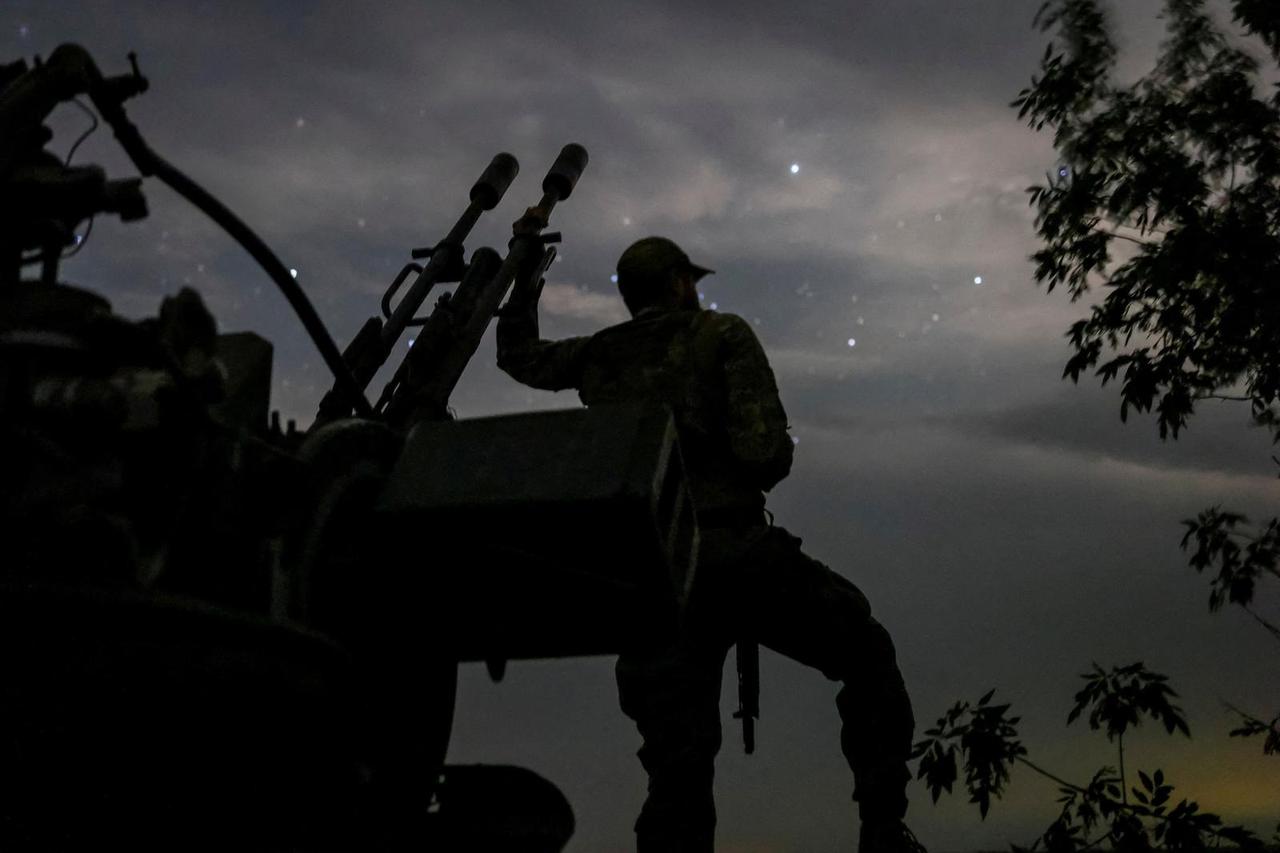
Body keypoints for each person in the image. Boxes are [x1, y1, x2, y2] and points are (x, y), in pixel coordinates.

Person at [495, 211, 925, 853]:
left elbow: (519, 356)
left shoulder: (597, 354)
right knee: (867, 655)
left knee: (677, 767)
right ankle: (884, 830)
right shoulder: (721, 335)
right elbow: (763, 456)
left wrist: (524, 267)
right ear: (675, 284)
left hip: (656, 574)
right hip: (736, 554)